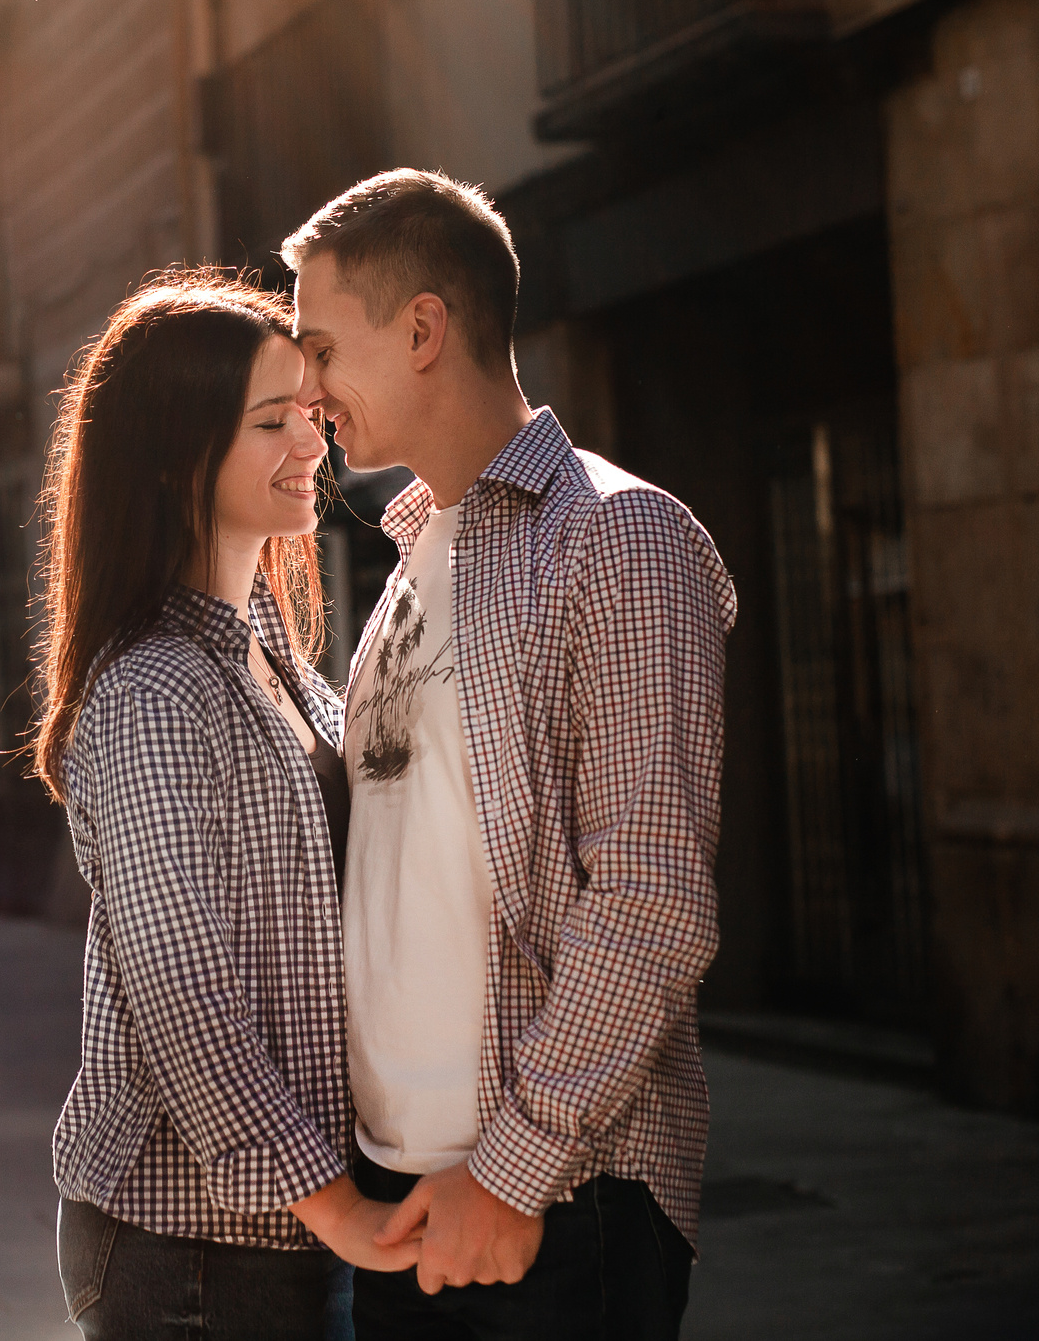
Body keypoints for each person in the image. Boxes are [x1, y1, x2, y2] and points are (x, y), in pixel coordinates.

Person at [287, 170, 737, 1339]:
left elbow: (652, 903)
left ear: (424, 329)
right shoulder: (405, 566)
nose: (307, 385)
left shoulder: (614, 537)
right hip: (408, 1203)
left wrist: (507, 1170)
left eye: (323, 347)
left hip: (553, 1202)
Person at [39, 274, 416, 1338]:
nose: (313, 443)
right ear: (172, 454)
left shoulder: (273, 659)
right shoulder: (154, 688)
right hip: (194, 1248)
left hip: (285, 1232)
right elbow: (180, 986)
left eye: (311, 410)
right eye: (270, 422)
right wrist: (330, 1201)